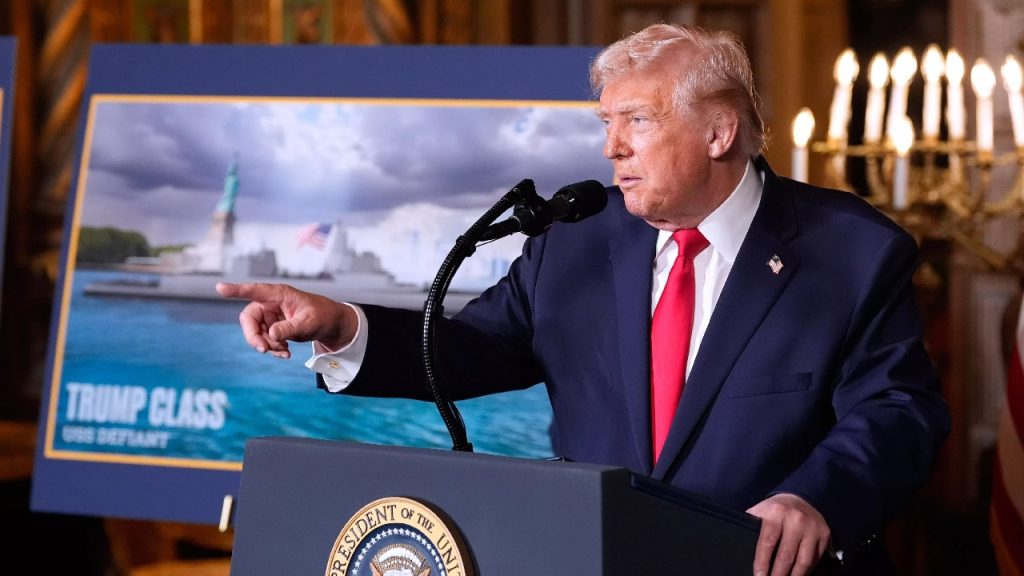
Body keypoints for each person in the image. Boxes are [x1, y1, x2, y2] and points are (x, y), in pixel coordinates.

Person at [217, 23, 950, 575]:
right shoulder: (578, 237)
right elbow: (473, 350)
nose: (612, 149)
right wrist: (342, 325)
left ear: (720, 132)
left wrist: (815, 497)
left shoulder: (851, 250)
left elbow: (898, 410)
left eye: (638, 120)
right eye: (607, 123)